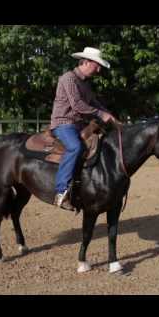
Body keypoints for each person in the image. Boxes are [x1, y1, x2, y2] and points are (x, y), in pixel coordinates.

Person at [50, 47, 120, 211]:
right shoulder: (68, 78)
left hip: (80, 124)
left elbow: (94, 103)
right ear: (86, 62)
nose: (99, 69)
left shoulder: (85, 84)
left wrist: (110, 116)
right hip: (64, 123)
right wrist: (101, 114)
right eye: (97, 65)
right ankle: (61, 192)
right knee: (75, 147)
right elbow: (78, 105)